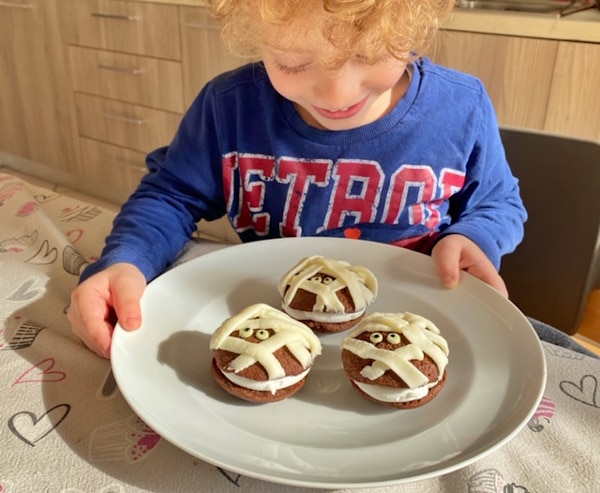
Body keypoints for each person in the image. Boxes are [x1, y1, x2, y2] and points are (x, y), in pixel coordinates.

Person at [68, 0, 527, 358]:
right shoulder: (229, 108)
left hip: (420, 330)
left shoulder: (461, 108)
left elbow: (499, 202)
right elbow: (171, 196)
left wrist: (476, 235)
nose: (338, 94)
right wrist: (125, 261)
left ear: (413, 27)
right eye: (292, 62)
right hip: (268, 329)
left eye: (368, 53)